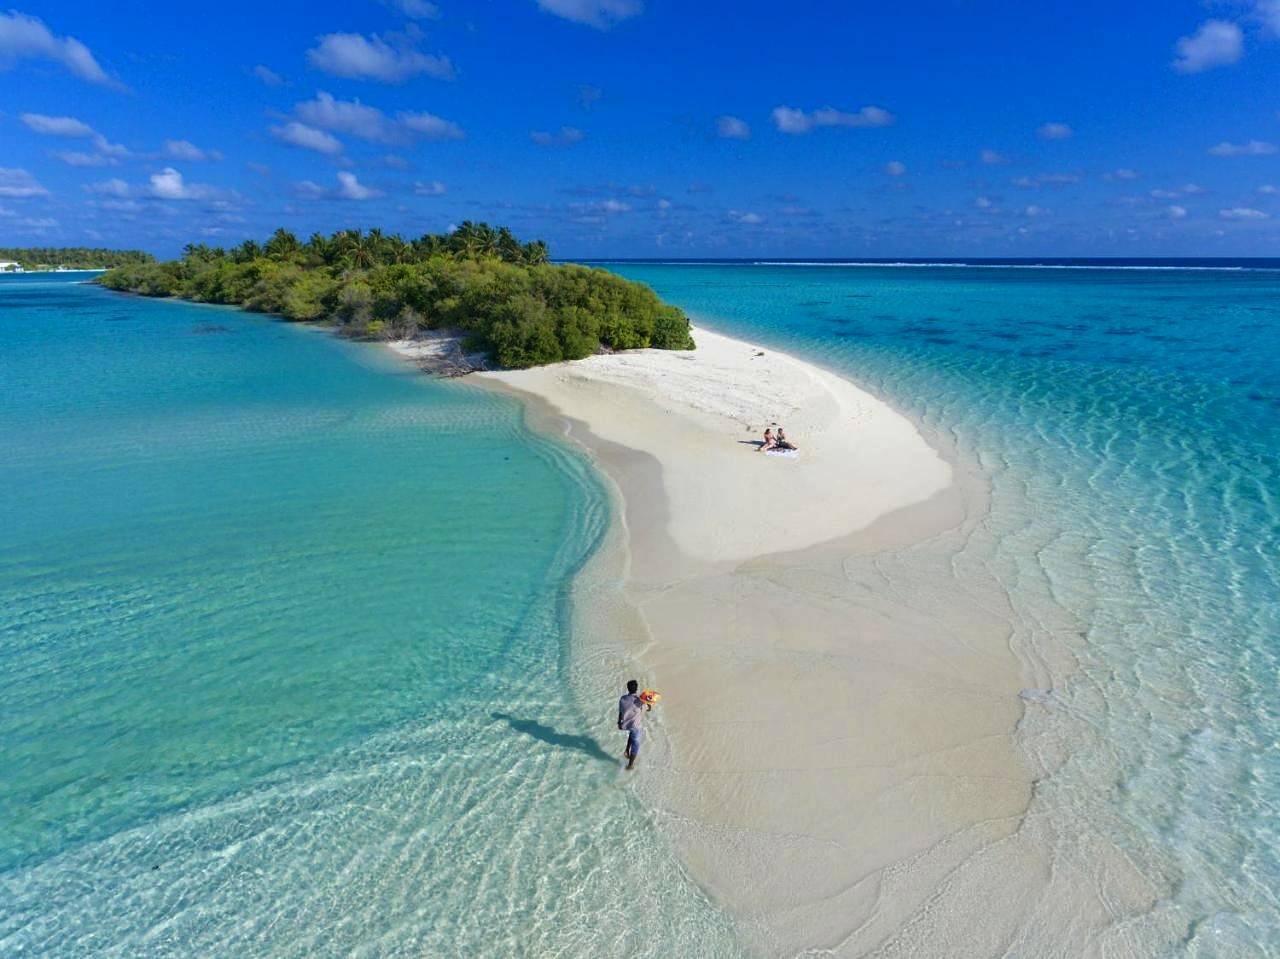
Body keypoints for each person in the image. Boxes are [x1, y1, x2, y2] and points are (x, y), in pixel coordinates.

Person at [617, 679, 649, 770]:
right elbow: (648, 708)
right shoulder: (640, 701)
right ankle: (630, 765)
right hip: (635, 726)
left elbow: (620, 712)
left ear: (628, 688)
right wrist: (648, 703)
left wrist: (619, 722)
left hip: (626, 724)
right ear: (637, 689)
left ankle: (627, 750)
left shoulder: (622, 699)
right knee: (636, 744)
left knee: (632, 734)